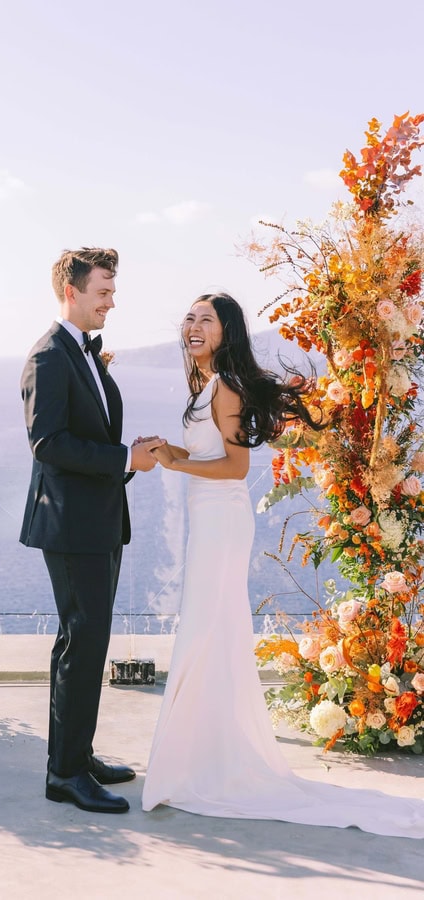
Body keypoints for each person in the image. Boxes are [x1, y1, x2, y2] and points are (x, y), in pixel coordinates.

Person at [141, 292, 424, 837]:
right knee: (211, 632)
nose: (195, 326)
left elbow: (232, 465)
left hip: (222, 522)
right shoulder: (206, 384)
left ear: (226, 334)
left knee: (205, 632)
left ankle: (204, 763)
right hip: (212, 520)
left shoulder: (223, 387)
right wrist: (169, 449)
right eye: (191, 318)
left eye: (208, 321)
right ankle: (202, 756)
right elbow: (208, 453)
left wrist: (172, 459)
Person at [20, 247, 163, 814]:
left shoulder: (83, 355)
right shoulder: (49, 357)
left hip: (97, 520)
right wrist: (124, 458)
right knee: (83, 644)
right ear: (71, 292)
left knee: (83, 643)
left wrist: (129, 454)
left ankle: (75, 755)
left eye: (111, 291)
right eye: (102, 292)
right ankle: (65, 775)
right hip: (72, 525)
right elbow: (47, 443)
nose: (110, 302)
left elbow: (94, 432)